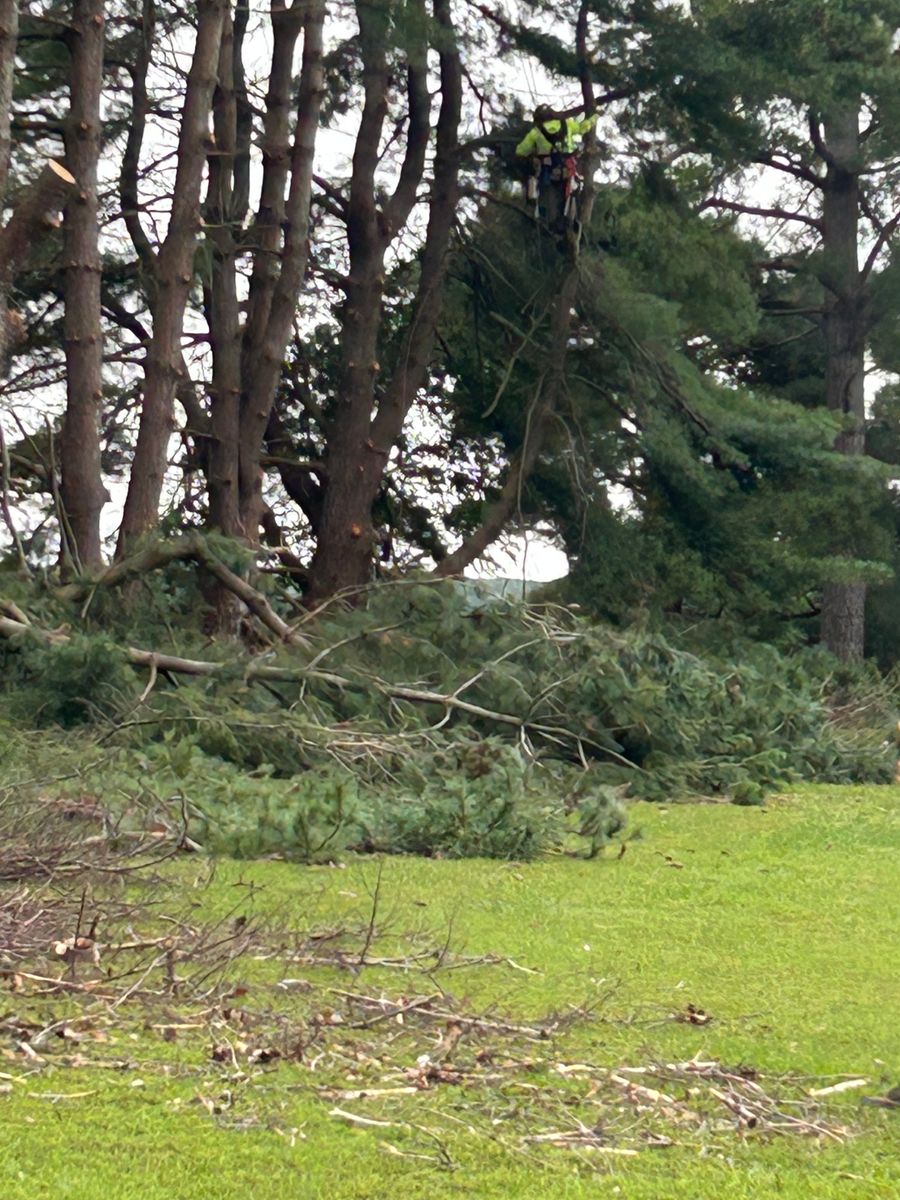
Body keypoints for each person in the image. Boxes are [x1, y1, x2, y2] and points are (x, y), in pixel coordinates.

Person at [516, 105, 597, 229]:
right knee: (570, 197)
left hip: (548, 174)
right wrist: (594, 118)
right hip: (568, 171)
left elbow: (520, 151)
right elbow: (582, 128)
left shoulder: (535, 132)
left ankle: (546, 223)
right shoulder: (567, 124)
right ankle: (570, 222)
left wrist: (533, 153)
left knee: (545, 201)